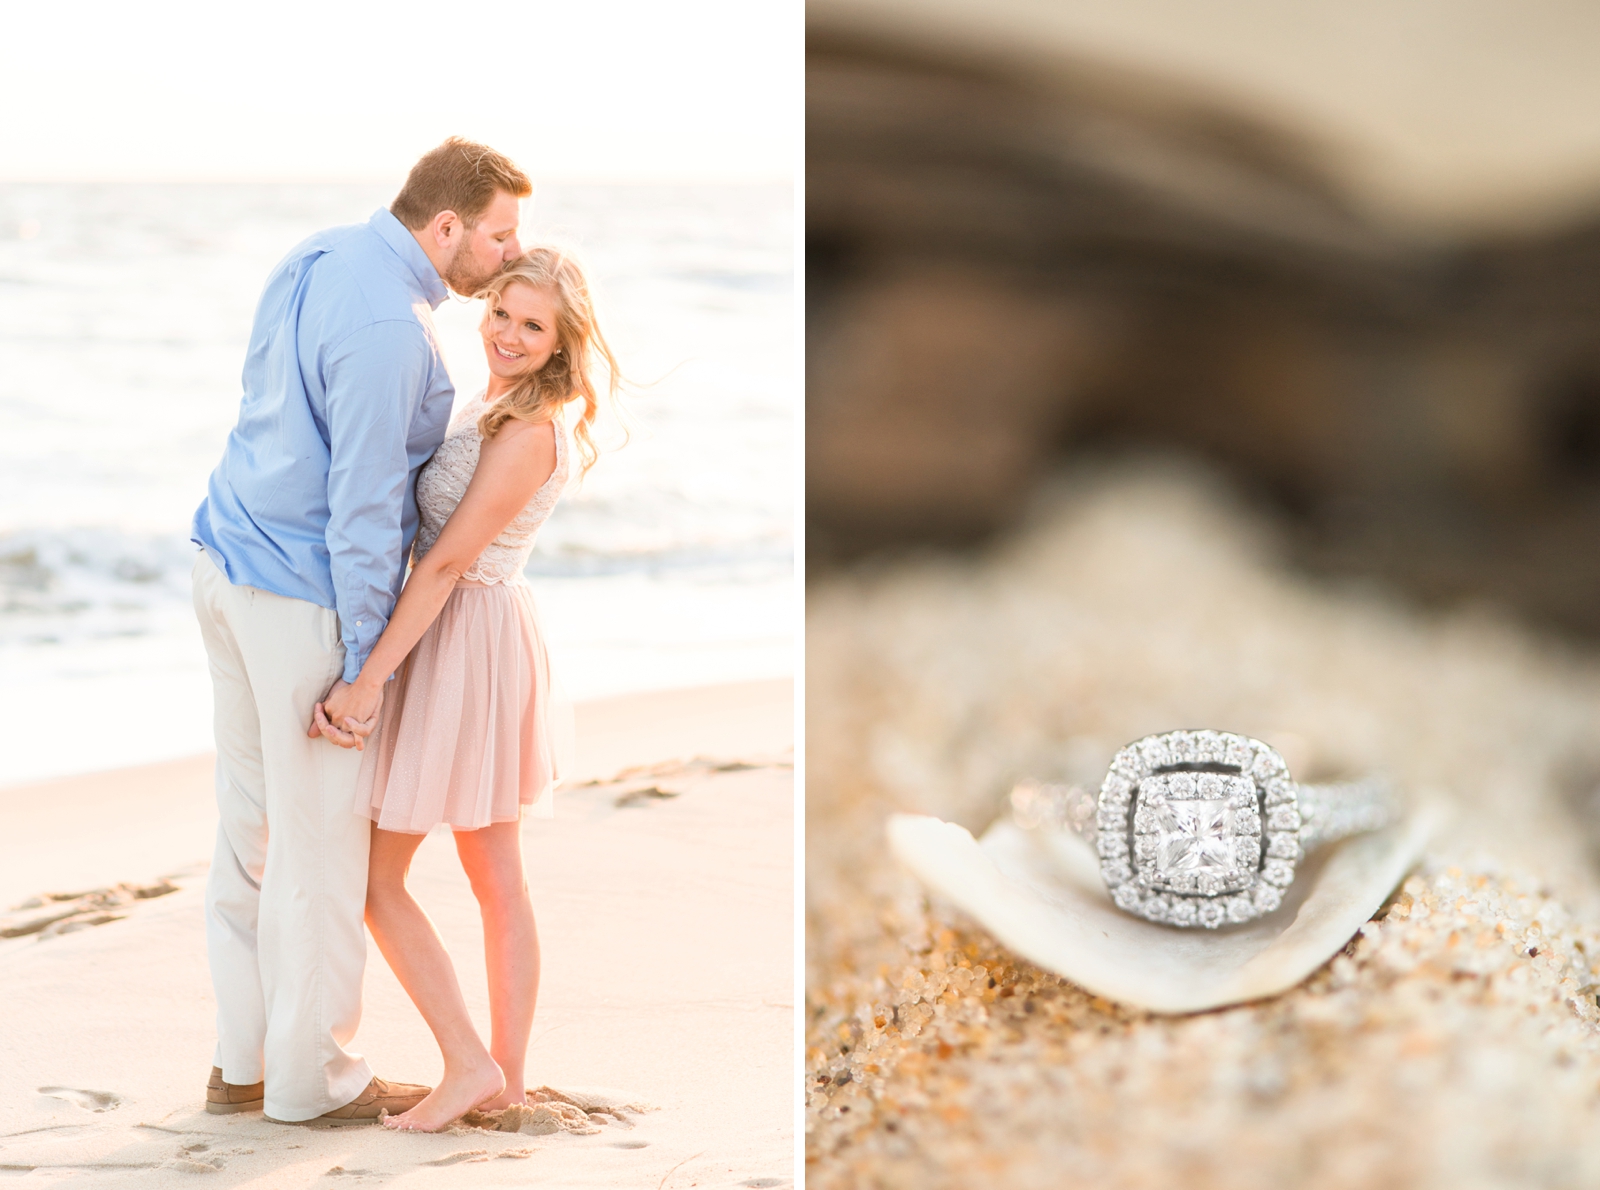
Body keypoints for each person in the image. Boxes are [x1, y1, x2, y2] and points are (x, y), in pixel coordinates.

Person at [189, 138, 530, 1125]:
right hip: (298, 596)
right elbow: (365, 508)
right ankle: (314, 1078)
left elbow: (258, 406)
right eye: (500, 236)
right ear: (447, 227)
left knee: (247, 827)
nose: (509, 256)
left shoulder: (317, 255)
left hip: (222, 557)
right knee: (324, 843)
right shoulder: (398, 329)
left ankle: (240, 1062)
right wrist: (365, 669)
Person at [311, 248, 619, 1131]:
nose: (509, 335)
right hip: (461, 633)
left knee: (409, 880)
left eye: (532, 325)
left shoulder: (529, 430)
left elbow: (446, 562)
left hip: (465, 641)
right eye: (501, 314)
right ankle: (498, 1077)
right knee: (487, 877)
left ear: (562, 342)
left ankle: (476, 1068)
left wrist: (368, 681)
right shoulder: (492, 403)